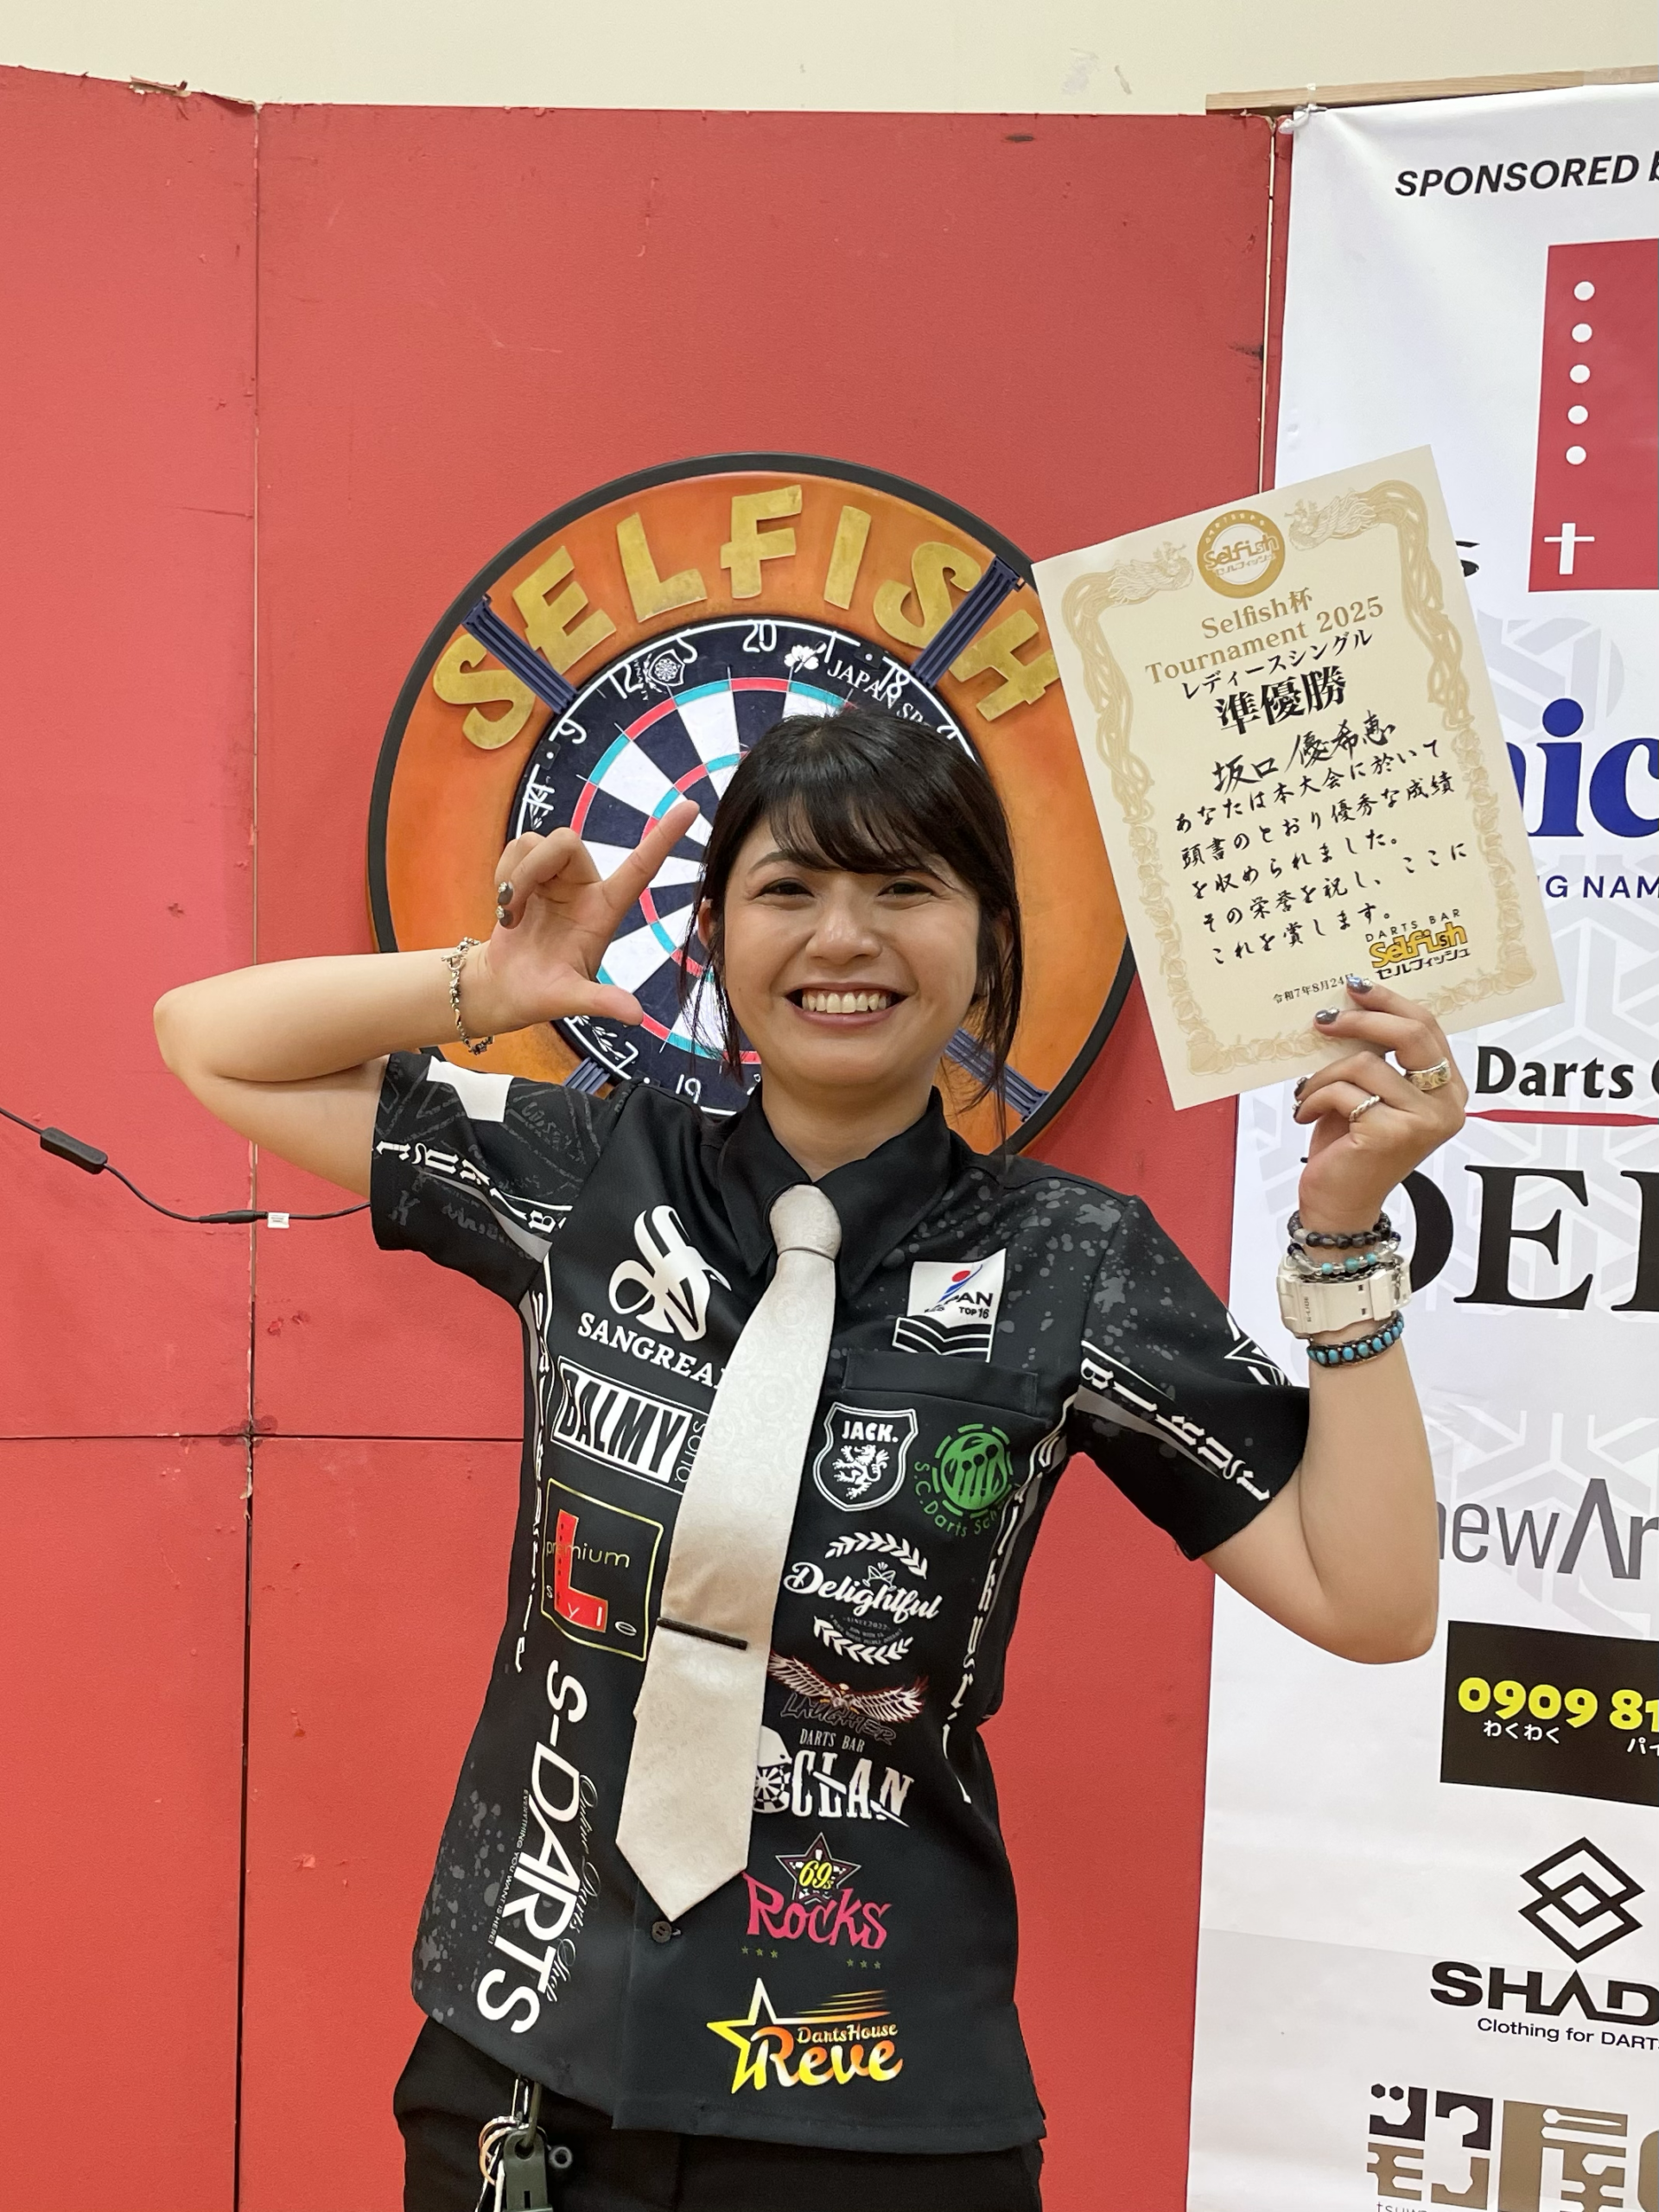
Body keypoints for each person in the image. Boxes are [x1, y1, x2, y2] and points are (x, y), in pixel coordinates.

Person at [155, 704, 1458, 2212]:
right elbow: (209, 1043)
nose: (846, 937)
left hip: (873, 2106)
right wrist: (484, 985)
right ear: (715, 935)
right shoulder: (593, 1172)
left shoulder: (1072, 1262)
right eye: (790, 889)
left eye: (905, 886)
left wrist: (1344, 1237)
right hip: (524, 2070)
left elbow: (1370, 1601)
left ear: (988, 935)